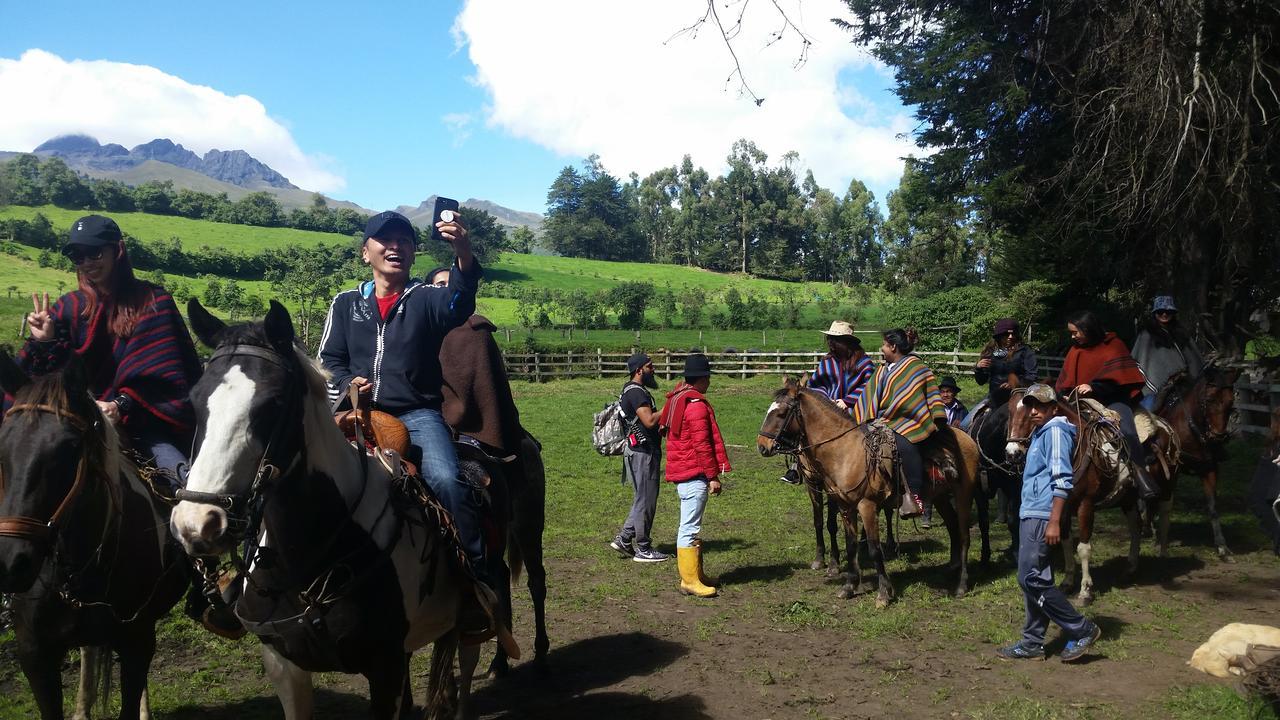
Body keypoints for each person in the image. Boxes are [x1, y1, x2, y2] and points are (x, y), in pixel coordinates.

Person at [17, 214, 241, 639]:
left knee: (186, 486)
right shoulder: (64, 308)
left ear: (117, 251)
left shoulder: (153, 302)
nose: (87, 261)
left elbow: (170, 377)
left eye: (95, 252)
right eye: (78, 255)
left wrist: (122, 403)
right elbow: (46, 382)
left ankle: (206, 585)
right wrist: (44, 340)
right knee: (27, 482)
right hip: (78, 427)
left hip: (144, 424)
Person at [317, 210, 492, 622]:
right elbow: (328, 360)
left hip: (417, 414)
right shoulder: (344, 304)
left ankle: (476, 581)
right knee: (305, 473)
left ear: (413, 255)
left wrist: (462, 250)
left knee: (448, 482)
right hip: (356, 413)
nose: (395, 246)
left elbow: (459, 301)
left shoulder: (425, 300)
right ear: (366, 253)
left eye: (405, 241)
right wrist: (346, 385)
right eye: (384, 239)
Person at [996, 384, 1102, 662]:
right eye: (1030, 406)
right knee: (1037, 577)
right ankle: (1032, 642)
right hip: (1032, 513)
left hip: (1042, 515)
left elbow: (1062, 480)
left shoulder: (1055, 430)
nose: (1034, 411)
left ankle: (1081, 628)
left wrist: (1055, 521)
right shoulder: (1042, 433)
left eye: (1041, 406)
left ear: (1054, 408)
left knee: (1029, 578)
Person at [1054, 310, 1160, 502]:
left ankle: (1141, 475)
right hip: (1081, 402)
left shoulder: (1114, 346)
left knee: (1127, 430)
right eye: (1071, 332)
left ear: (1088, 329)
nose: (1073, 336)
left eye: (1075, 332)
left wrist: (1093, 387)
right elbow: (1065, 381)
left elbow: (1121, 379)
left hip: (1113, 400)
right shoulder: (1075, 350)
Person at [852, 328, 947, 518]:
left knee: (905, 446)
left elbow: (927, 394)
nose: (881, 349)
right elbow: (868, 396)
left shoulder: (916, 367)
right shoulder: (881, 370)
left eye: (884, 345)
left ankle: (914, 497)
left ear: (893, 346)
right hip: (880, 419)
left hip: (908, 421)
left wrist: (937, 416)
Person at [658, 354, 730, 598]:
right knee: (689, 527)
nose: (709, 382)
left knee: (691, 526)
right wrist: (713, 476)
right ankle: (689, 580)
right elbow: (702, 446)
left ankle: (695, 575)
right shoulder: (696, 405)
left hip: (683, 470)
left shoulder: (678, 398)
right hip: (694, 472)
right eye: (708, 377)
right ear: (702, 378)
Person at [779, 320, 874, 484]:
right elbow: (816, 384)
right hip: (827, 408)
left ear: (846, 342)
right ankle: (796, 468)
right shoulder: (827, 361)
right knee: (803, 425)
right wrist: (826, 401)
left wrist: (847, 401)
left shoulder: (864, 364)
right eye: (829, 339)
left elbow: (870, 387)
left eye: (835, 340)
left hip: (855, 409)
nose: (830, 343)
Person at [609, 353, 669, 563]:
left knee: (642, 498)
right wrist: (669, 406)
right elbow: (649, 420)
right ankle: (643, 548)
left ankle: (625, 539)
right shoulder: (636, 393)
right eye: (650, 366)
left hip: (641, 451)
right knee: (646, 500)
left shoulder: (634, 390)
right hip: (643, 454)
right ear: (639, 370)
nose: (653, 369)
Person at [962, 318, 1037, 431]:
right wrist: (979, 369)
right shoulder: (991, 352)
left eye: (1013, 334)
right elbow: (981, 381)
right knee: (964, 425)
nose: (1010, 337)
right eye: (1006, 334)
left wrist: (1016, 384)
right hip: (994, 398)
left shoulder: (1026, 352)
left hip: (1020, 398)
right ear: (999, 335)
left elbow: (1032, 376)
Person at [1131, 296, 1203, 411]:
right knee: (1146, 415)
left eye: (1168, 311)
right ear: (1155, 313)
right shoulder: (1146, 335)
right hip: (1155, 388)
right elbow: (1140, 361)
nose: (1164, 314)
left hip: (1184, 383)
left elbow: (1193, 359)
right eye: (1160, 312)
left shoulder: (1182, 333)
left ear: (1173, 313)